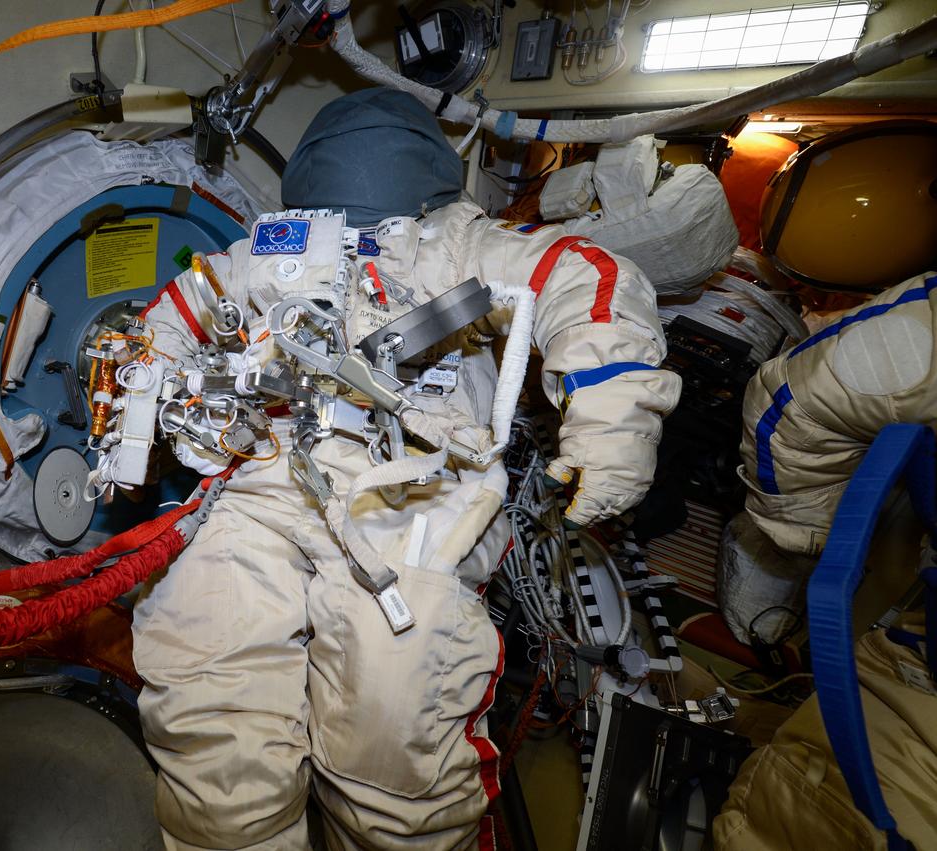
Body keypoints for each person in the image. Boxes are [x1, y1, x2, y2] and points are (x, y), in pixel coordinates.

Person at [129, 88, 680, 850]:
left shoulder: (462, 245)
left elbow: (585, 280)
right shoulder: (272, 249)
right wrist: (141, 399)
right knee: (206, 683)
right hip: (267, 479)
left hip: (411, 491)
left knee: (391, 725)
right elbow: (170, 320)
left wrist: (610, 418)